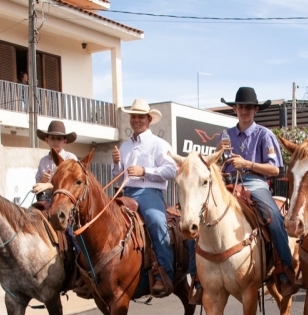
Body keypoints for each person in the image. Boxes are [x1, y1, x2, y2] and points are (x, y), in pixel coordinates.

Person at [209, 87, 298, 297]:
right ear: (235, 109)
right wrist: (218, 153)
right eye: (240, 107)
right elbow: (217, 165)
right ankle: (198, 276)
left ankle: (284, 270)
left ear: (255, 110)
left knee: (273, 215)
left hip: (256, 182)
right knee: (205, 214)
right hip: (228, 183)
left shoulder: (264, 135)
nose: (244, 111)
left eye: (248, 107)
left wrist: (247, 163)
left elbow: (275, 169)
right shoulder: (226, 135)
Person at [111, 98, 193, 297]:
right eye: (133, 117)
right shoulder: (124, 147)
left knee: (157, 222)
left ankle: (164, 272)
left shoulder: (159, 144)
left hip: (149, 193)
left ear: (149, 119)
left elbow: (171, 170)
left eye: (140, 117)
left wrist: (144, 171)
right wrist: (116, 165)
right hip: (125, 193)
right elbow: (118, 177)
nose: (136, 120)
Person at [33, 120, 78, 202]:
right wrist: (42, 180)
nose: (55, 141)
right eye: (52, 138)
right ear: (47, 140)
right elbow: (37, 184)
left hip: (65, 201)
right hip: (44, 200)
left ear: (65, 141)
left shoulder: (70, 158)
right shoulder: (43, 161)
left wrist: (48, 185)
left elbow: (72, 184)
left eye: (59, 138)